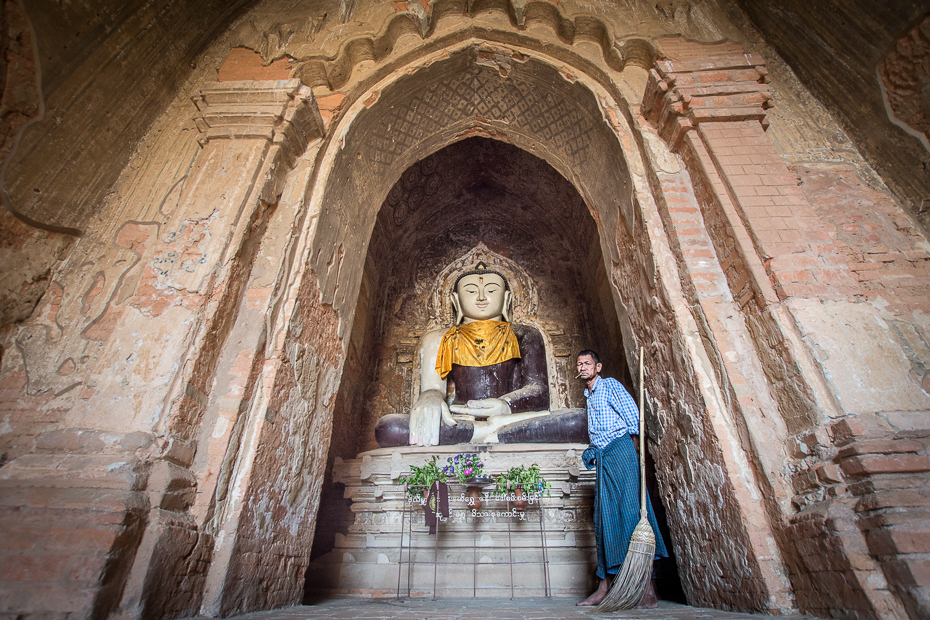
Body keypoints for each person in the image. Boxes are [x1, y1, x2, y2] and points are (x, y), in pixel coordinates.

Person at [374, 262, 587, 446]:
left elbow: (538, 390)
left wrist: (505, 405)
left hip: (511, 418)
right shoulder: (440, 337)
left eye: (492, 291)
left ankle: (490, 431)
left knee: (578, 421)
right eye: (471, 291)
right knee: (389, 428)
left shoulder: (525, 334)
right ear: (456, 301)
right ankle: (494, 434)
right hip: (462, 419)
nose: (482, 297)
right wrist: (429, 399)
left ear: (506, 299)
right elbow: (432, 388)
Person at [575, 349, 668, 608]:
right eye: (579, 364)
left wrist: (634, 449)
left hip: (622, 451)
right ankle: (605, 586)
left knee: (631, 513)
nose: (583, 367)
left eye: (587, 364)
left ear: (598, 367)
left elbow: (632, 417)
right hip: (603, 457)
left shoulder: (610, 386)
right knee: (605, 518)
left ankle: (647, 587)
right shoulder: (588, 397)